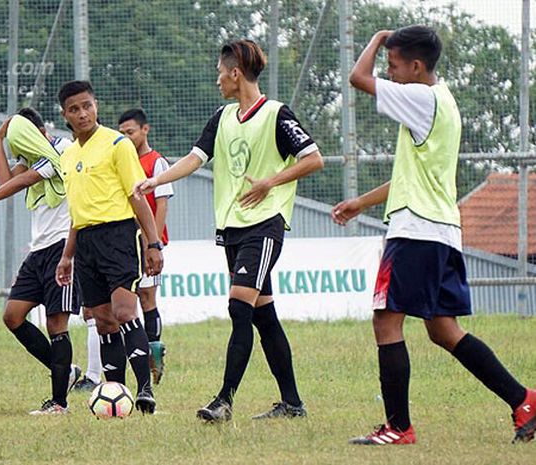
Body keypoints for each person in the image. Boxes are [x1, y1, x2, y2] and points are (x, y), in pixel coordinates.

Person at [333, 25, 536, 445]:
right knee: (444, 330)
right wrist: (361, 203)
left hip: (417, 232)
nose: (389, 74)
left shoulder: (422, 97)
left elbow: (357, 78)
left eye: (393, 66)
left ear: (417, 66)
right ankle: (525, 400)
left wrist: (375, 39)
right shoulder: (443, 102)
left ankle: (397, 427)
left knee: (386, 320)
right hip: (440, 231)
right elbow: (412, 176)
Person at [136, 40, 324, 422]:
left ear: (235, 73)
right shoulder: (222, 117)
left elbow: (313, 159)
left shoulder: (276, 114)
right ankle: (292, 404)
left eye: (220, 72)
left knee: (239, 306)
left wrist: (270, 181)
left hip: (265, 224)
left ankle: (224, 400)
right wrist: (156, 181)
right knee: (263, 316)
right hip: (233, 228)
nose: (217, 79)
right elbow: (194, 158)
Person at [0, 107, 84, 414]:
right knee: (12, 316)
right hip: (38, 250)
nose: (21, 153)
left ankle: (59, 403)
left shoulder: (60, 150)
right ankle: (67, 371)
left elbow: (22, 182)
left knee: (56, 323)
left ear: (39, 133)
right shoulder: (33, 157)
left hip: (62, 247)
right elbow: (5, 181)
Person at [54, 80, 164, 414]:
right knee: (102, 321)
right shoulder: (68, 156)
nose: (83, 113)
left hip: (118, 236)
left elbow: (137, 196)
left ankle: (145, 392)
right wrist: (67, 255)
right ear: (66, 115)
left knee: (125, 312)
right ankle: (118, 396)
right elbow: (76, 211)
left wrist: (152, 243)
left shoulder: (117, 144)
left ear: (96, 105)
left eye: (87, 105)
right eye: (75, 109)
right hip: (85, 243)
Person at [118, 108, 173, 385]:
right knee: (126, 301)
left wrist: (154, 241)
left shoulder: (156, 162)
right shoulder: (121, 159)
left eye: (130, 132)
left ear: (145, 130)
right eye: (122, 134)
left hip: (148, 242)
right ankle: (134, 354)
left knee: (147, 297)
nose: (126, 138)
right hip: (123, 241)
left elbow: (161, 203)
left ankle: (154, 352)